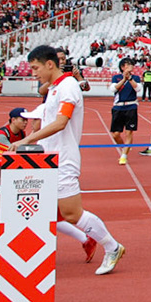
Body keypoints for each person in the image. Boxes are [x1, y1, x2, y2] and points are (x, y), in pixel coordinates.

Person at [19, 44, 125, 275]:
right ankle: (20, 262)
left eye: (36, 67)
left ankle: (112, 246)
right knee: (39, 213)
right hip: (49, 159)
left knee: (72, 213)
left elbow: (60, 123)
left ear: (49, 64)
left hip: (63, 160)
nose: (33, 72)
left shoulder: (67, 87)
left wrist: (24, 142)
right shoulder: (56, 87)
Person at [109, 59, 142, 164]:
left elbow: (138, 88)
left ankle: (124, 155)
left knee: (129, 132)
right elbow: (113, 89)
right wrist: (124, 79)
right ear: (123, 67)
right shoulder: (116, 77)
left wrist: (130, 78)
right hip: (118, 107)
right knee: (115, 134)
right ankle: (125, 147)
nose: (131, 66)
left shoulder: (136, 78)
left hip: (131, 106)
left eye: (132, 64)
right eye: (128, 64)